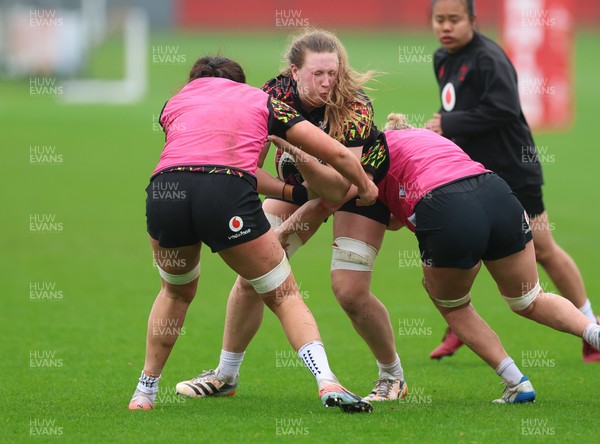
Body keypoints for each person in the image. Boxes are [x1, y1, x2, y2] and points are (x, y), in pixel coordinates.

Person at [275, 113, 600, 403]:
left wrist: (278, 240)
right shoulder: (430, 142)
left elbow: (327, 203)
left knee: (454, 305)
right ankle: (593, 333)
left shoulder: (372, 154)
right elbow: (396, 215)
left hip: (447, 208)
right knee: (529, 299)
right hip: (498, 195)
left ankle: (517, 383)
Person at [127, 55, 380, 413]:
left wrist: (292, 195)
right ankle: (327, 380)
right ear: (239, 82)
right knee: (283, 294)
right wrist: (364, 186)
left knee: (175, 293)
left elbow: (196, 159)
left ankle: (144, 392)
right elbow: (337, 154)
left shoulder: (175, 102)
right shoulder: (260, 101)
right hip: (224, 195)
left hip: (166, 192)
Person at [175, 29, 408, 403]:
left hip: (360, 190)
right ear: (294, 72)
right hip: (300, 188)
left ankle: (392, 376)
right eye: (318, 74)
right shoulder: (272, 95)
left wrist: (293, 154)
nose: (327, 82)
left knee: (349, 291)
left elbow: (335, 192)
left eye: (333, 73)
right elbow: (250, 170)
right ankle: (225, 375)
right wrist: (282, 201)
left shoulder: (355, 105)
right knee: (255, 273)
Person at [425, 0, 600, 362]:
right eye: (439, 19)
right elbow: (455, 108)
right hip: (476, 174)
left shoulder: (489, 58)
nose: (446, 27)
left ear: (472, 20)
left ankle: (589, 326)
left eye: (454, 20)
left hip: (515, 169)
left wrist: (449, 125)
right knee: (473, 242)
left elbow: (503, 109)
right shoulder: (442, 57)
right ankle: (458, 325)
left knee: (545, 250)